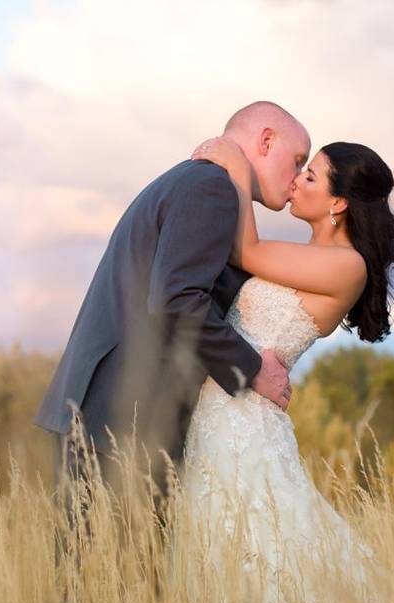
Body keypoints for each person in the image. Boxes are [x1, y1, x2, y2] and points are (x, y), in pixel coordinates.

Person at [180, 136, 394, 603]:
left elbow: (245, 249)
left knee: (273, 559)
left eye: (309, 176)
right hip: (222, 410)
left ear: (337, 203)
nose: (295, 181)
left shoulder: (346, 265)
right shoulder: (307, 256)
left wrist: (236, 170)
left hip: (243, 422)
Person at [32, 101, 308, 515]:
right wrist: (254, 370)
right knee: (120, 577)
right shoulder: (210, 188)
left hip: (102, 412)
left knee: (101, 577)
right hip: (124, 418)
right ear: (266, 141)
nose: (297, 178)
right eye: (298, 160)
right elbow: (177, 301)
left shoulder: (192, 181)